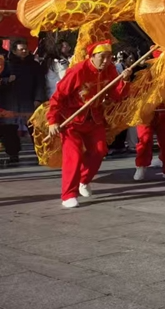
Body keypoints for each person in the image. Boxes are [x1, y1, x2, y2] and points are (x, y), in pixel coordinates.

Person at [46, 41, 131, 207]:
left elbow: (117, 95)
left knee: (100, 150)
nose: (106, 61)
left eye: (109, 57)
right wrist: (53, 120)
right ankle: (68, 194)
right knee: (74, 156)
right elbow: (58, 96)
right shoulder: (77, 71)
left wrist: (124, 80)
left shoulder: (111, 70)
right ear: (92, 56)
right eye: (102, 57)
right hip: (72, 119)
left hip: (95, 118)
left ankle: (83, 180)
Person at [0, 38, 46, 164]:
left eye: (26, 48)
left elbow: (40, 83)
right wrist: (6, 80)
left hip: (28, 102)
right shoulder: (5, 64)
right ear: (14, 51)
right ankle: (13, 155)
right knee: (9, 131)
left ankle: (41, 154)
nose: (24, 51)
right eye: (21, 49)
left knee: (35, 130)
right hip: (9, 102)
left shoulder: (34, 65)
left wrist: (38, 99)